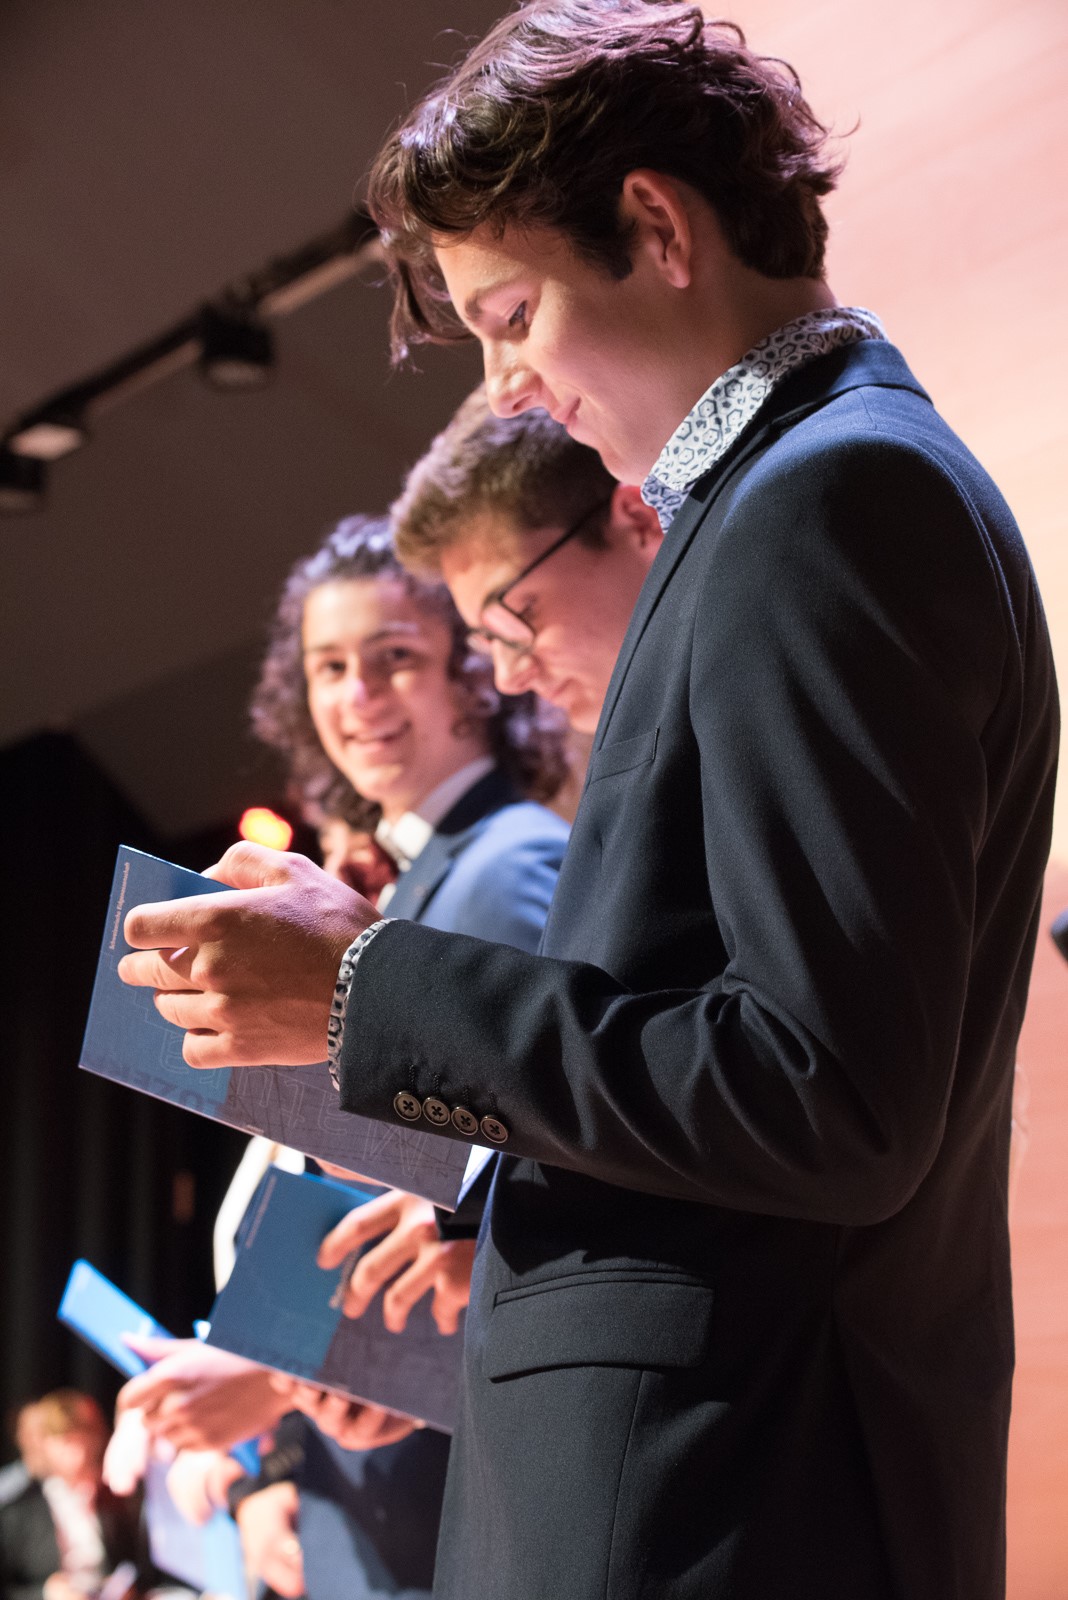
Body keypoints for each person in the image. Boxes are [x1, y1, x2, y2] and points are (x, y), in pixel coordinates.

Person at [117, 6, 1060, 1597]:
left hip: (713, 1499)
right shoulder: (797, 497)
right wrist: (505, 1219)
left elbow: (824, 1094)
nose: (507, 389)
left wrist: (363, 989)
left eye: (510, 314)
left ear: (655, 227)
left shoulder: (827, 497)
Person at [0, 1393, 142, 1600]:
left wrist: (126, 1588)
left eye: (84, 1440)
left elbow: (141, 1567)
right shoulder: (19, 1510)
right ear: (44, 1444)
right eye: (66, 1442)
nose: (79, 1453)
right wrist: (45, 1594)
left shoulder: (120, 1497)